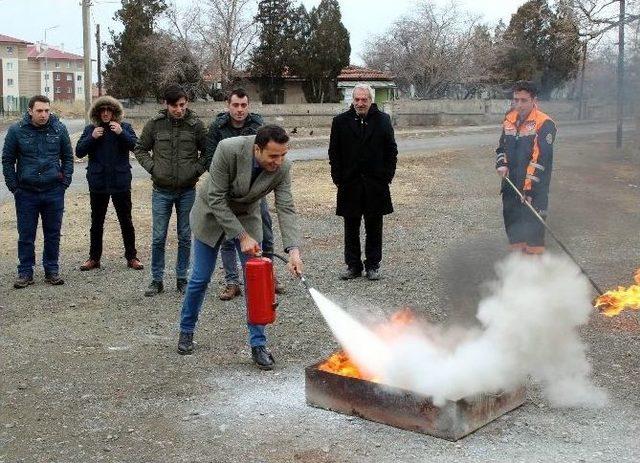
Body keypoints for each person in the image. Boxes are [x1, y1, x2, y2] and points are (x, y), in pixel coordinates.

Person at [177, 125, 303, 371]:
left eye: (283, 155)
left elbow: (286, 207)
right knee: (200, 278)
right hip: (212, 215)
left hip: (247, 215)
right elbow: (215, 198)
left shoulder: (283, 167)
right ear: (258, 149)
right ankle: (186, 330)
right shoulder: (228, 149)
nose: (279, 161)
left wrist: (293, 250)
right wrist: (242, 236)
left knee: (257, 282)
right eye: (273, 156)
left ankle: (258, 344)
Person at [205, 88, 283, 300]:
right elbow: (210, 159)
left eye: (243, 105)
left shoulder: (258, 126)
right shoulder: (217, 128)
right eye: (235, 105)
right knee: (228, 238)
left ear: (248, 106)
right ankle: (232, 281)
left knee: (265, 232)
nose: (239, 110)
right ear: (228, 105)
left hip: (254, 191)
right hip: (226, 192)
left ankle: (268, 274)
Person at [134, 84, 208, 296]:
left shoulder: (195, 125)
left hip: (187, 190)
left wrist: (196, 170)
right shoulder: (155, 125)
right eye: (174, 105)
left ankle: (182, 278)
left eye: (182, 105)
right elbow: (140, 149)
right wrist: (153, 168)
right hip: (161, 190)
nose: (179, 109)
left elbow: (208, 151)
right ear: (165, 104)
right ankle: (156, 280)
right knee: (158, 237)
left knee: (185, 236)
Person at [2, 95, 73, 288]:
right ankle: (25, 272)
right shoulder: (17, 131)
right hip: (26, 193)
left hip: (53, 191)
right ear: (30, 111)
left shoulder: (59, 129)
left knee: (53, 233)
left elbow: (68, 157)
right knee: (26, 234)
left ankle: (52, 270)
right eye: (40, 111)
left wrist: (64, 182)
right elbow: (7, 160)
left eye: (47, 111)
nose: (44, 115)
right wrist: (14, 186)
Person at [328, 83, 397, 281]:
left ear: (370, 100)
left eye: (364, 99)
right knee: (351, 228)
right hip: (349, 184)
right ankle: (353, 266)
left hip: (376, 185)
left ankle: (373, 265)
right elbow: (334, 152)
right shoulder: (340, 122)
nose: (360, 103)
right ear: (352, 100)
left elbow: (391, 150)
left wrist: (387, 176)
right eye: (357, 99)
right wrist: (338, 178)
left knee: (374, 227)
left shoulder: (383, 120)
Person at [75, 96, 143, 271]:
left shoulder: (124, 127)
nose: (105, 113)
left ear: (114, 112)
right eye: (102, 110)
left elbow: (136, 146)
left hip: (120, 182)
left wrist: (121, 133)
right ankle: (94, 258)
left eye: (109, 110)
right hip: (98, 183)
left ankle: (132, 257)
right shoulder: (91, 129)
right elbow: (79, 152)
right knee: (96, 222)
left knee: (126, 221)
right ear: (97, 113)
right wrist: (92, 137)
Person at [495, 80, 556, 255]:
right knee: (514, 228)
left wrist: (529, 191)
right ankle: (518, 269)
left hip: (533, 190)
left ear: (534, 100)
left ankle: (534, 273)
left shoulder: (544, 123)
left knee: (533, 232)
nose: (519, 105)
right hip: (510, 186)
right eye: (516, 100)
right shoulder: (509, 119)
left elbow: (541, 160)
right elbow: (501, 147)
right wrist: (502, 163)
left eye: (524, 100)